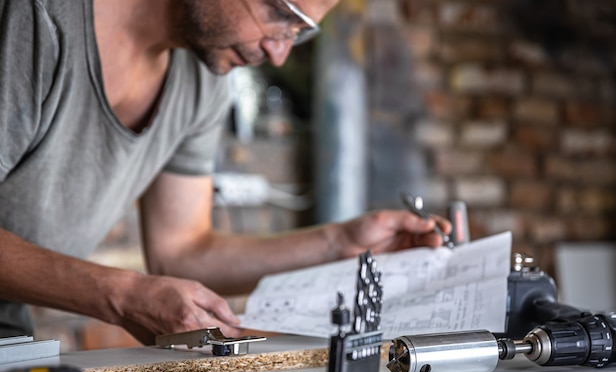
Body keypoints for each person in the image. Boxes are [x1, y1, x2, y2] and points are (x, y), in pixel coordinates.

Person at [0, 0, 451, 345]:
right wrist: (120, 294)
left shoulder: (201, 80)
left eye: (300, 32)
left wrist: (341, 245)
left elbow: (182, 250)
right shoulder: (33, 23)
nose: (278, 53)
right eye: (278, 13)